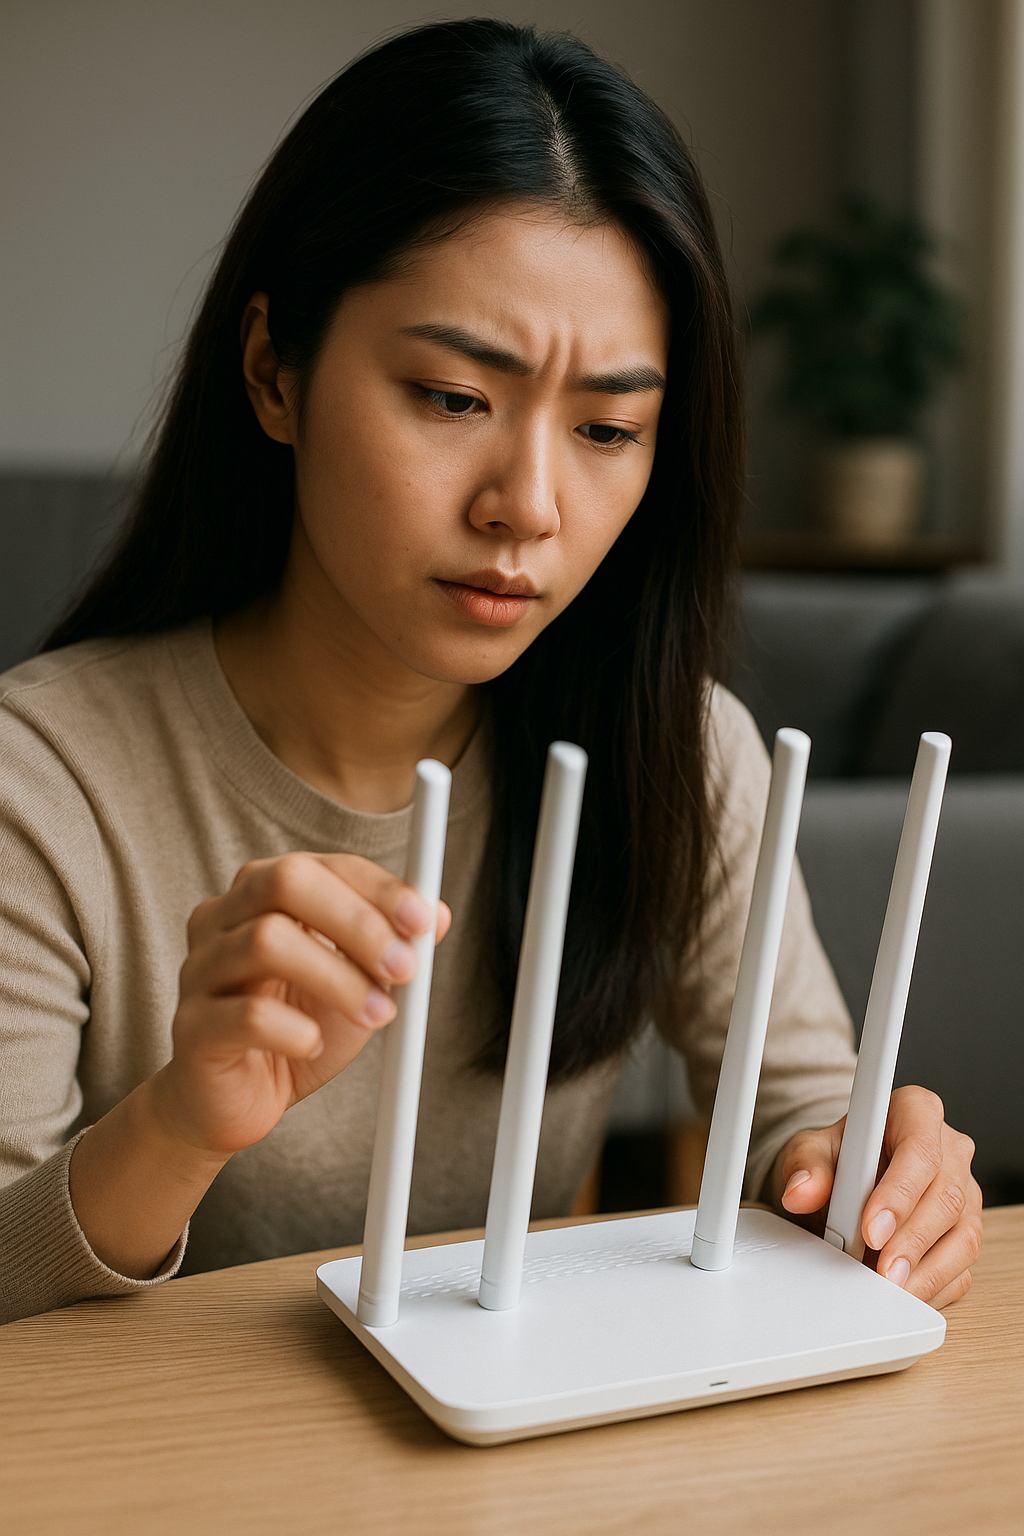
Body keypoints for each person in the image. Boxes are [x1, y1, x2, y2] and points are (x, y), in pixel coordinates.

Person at [0, 19, 981, 1328]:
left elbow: (799, 1110)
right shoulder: (43, 786)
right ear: (271, 370)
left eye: (607, 428)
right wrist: (183, 1120)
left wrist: (871, 1176)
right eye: (455, 397)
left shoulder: (676, 751)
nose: (530, 506)